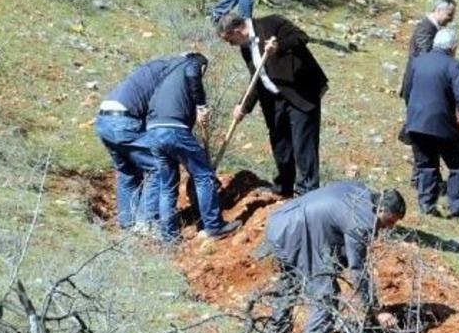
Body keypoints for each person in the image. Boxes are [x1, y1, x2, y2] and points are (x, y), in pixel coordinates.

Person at [263, 181, 404, 333]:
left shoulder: (362, 191)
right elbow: (357, 268)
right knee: (327, 298)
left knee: (292, 279)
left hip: (282, 223)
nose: (390, 227)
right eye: (390, 221)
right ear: (382, 209)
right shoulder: (361, 220)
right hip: (297, 233)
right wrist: (376, 309)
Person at [218, 14, 328, 197]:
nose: (231, 45)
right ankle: (283, 187)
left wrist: (279, 46)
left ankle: (307, 192)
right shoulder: (246, 49)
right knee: (280, 144)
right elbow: (256, 78)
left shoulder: (271, 23)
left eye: (230, 40)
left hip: (299, 93)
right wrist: (243, 106)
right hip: (273, 100)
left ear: (236, 31)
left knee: (303, 145)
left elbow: (301, 37)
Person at [145, 52, 241, 243]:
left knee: (167, 186)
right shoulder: (191, 64)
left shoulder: (166, 74)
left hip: (154, 132)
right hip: (174, 129)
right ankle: (214, 226)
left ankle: (169, 237)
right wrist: (201, 106)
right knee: (204, 175)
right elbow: (193, 75)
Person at [96, 55, 193, 231]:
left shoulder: (156, 67)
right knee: (157, 166)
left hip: (104, 120)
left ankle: (128, 224)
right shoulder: (173, 74)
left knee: (128, 172)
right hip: (124, 122)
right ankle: (145, 224)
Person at [404, 29, 459, 221]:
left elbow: (407, 89)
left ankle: (427, 206)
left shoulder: (417, 61)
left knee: (426, 165)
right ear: (453, 47)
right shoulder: (453, 65)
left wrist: (413, 114)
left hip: (416, 123)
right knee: (458, 166)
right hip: (443, 124)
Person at [399, 0, 458, 98]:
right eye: (449, 15)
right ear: (438, 11)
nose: (451, 19)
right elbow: (426, 56)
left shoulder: (434, 28)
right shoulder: (425, 28)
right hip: (418, 86)